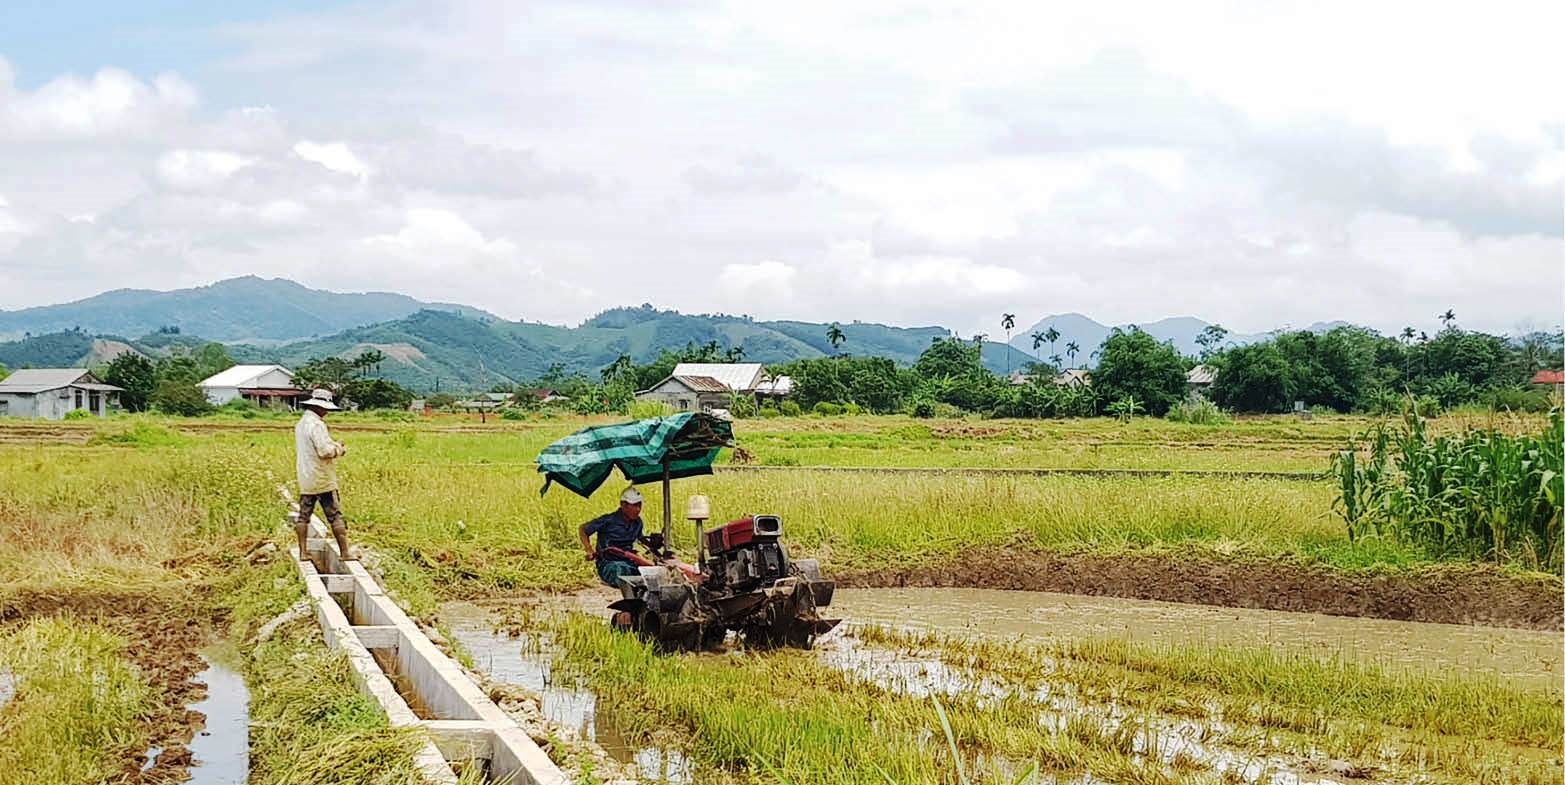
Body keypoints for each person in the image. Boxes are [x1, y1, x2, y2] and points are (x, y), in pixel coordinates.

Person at [294, 388, 354, 560]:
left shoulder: (301, 423)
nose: (327, 412)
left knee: (304, 515)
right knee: (334, 514)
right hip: (322, 478)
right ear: (320, 407)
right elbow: (324, 451)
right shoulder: (317, 425)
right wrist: (339, 449)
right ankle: (345, 553)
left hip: (306, 477)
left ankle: (303, 552)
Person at [580, 487, 654, 586]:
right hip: (609, 563)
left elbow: (640, 539)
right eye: (634, 505)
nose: (638, 509)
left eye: (639, 505)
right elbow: (583, 529)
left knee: (652, 574)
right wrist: (589, 549)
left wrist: (653, 543)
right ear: (623, 505)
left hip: (629, 561)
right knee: (620, 571)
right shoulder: (609, 520)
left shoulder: (638, 523)